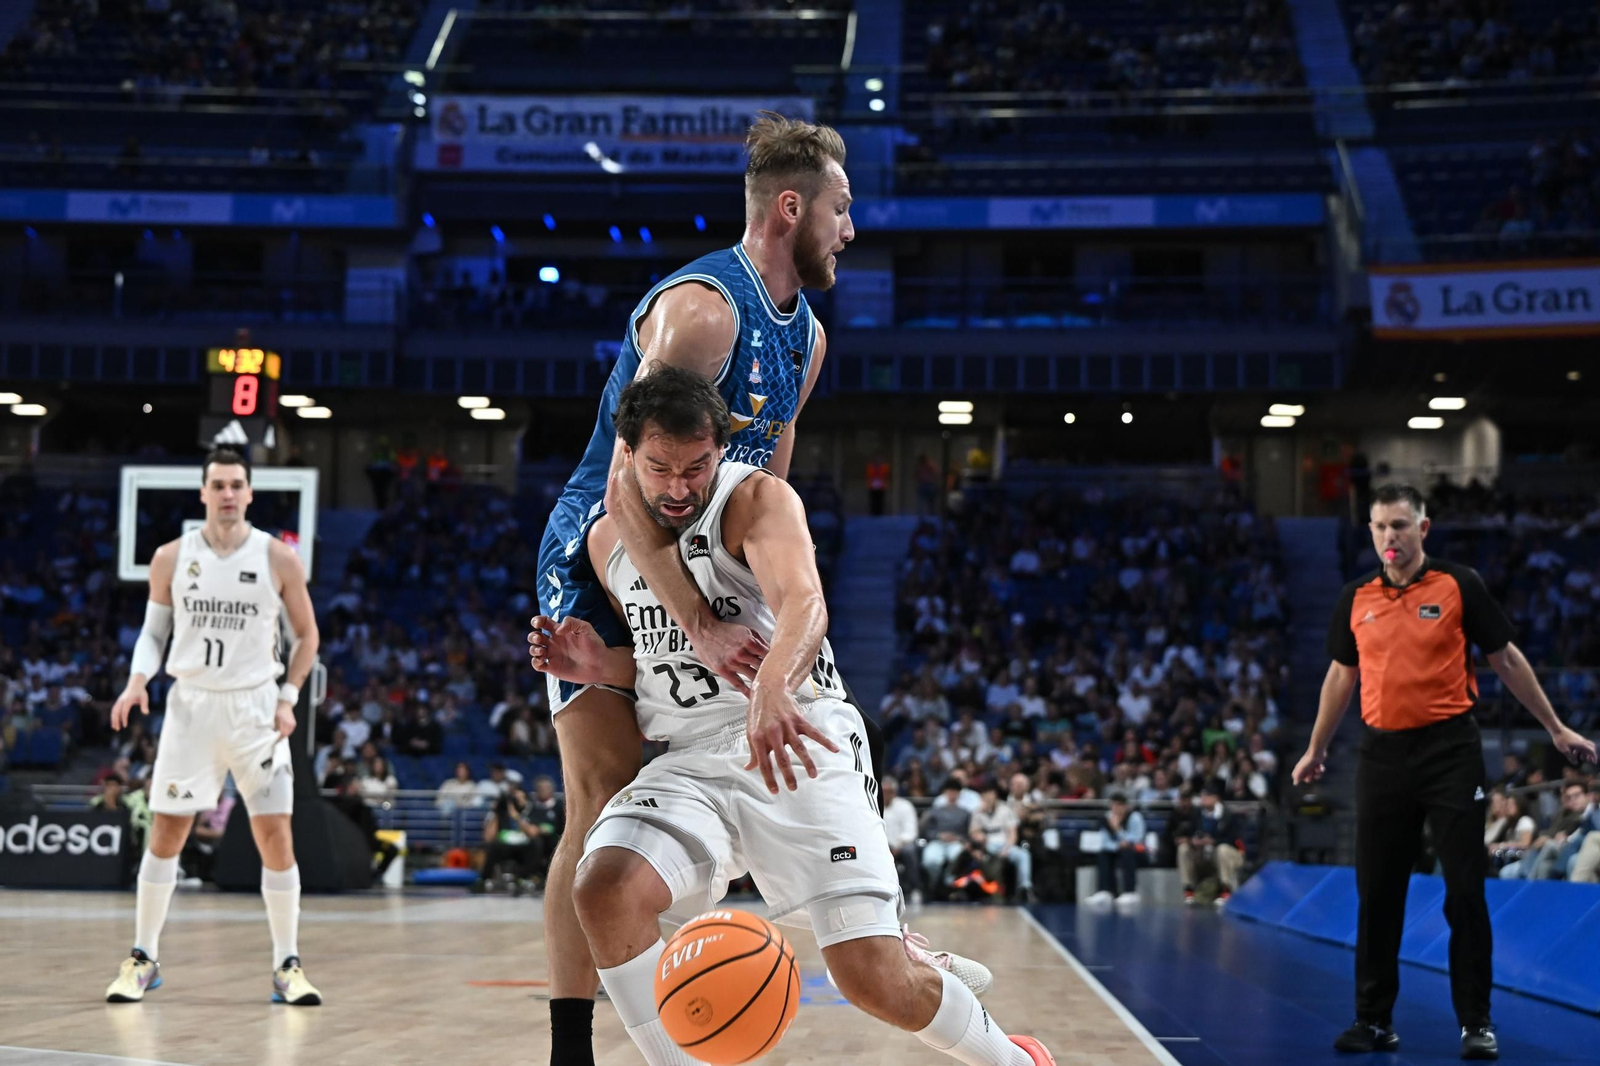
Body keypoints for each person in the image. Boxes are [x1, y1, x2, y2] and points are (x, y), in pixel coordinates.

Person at [524, 111, 925, 1066]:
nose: (851, 229)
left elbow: (767, 488)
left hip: (705, 543)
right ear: (792, 207)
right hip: (604, 544)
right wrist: (695, 618)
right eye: (842, 208)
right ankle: (569, 1048)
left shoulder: (810, 340)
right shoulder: (704, 312)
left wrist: (765, 605)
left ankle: (879, 924)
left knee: (805, 697)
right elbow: (633, 477)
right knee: (600, 801)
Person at [529, 367, 1047, 1066]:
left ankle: (1015, 1059)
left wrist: (774, 687)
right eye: (661, 469)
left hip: (800, 737)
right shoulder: (603, 542)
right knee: (604, 886)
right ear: (625, 456)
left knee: (872, 981)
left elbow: (805, 604)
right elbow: (663, 660)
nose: (680, 487)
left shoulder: (758, 499)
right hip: (691, 760)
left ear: (720, 451)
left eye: (697, 466)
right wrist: (598, 668)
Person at [1293, 484, 1597, 1060]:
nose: (1390, 537)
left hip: (1450, 753)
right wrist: (1316, 747)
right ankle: (1374, 1019)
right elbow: (1340, 675)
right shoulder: (1355, 597)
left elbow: (1505, 658)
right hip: (1381, 756)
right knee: (1377, 893)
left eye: (1401, 526)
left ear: (1423, 530)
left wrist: (1556, 728)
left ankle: (1476, 1022)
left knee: (1464, 890)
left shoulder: (1460, 585)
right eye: (1381, 527)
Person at [104, 446, 322, 1006]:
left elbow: (307, 638)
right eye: (218, 484)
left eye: (236, 485)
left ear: (250, 493)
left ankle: (286, 965)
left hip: (255, 710)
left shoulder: (278, 558)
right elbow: (153, 633)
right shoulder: (171, 557)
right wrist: (136, 681)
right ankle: (143, 957)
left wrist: (288, 696)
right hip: (191, 707)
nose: (227, 493)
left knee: (276, 837)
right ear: (203, 492)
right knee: (167, 833)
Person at [1085, 792, 1145, 905]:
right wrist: (1118, 845)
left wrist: (1117, 830)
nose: (1115, 809)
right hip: (1117, 849)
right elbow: (1105, 842)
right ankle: (1105, 891)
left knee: (1127, 852)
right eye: (1113, 805)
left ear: (1125, 806)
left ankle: (1130, 892)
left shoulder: (1135, 817)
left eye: (1118, 805)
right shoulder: (1108, 817)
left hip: (1136, 851)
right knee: (1103, 853)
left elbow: (1137, 839)